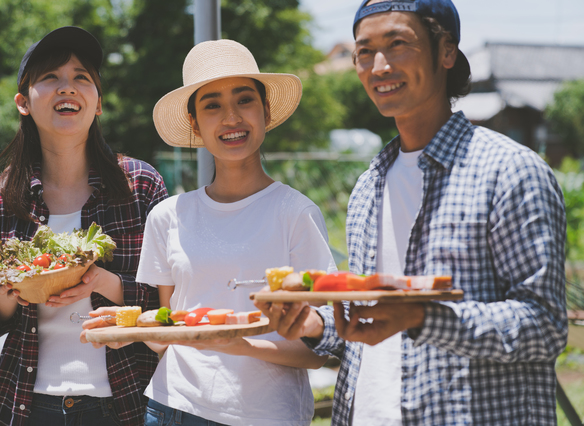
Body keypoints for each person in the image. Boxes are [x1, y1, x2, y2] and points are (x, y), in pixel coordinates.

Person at [255, 1, 568, 425]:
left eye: (398, 44)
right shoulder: (370, 183)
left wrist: (424, 317)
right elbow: (368, 330)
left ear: (446, 52)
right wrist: (313, 323)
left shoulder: (509, 170)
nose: (379, 66)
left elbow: (544, 325)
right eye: (364, 51)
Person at [85, 39, 337, 425]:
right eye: (212, 105)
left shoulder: (296, 213)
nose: (231, 117)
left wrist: (242, 345)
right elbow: (168, 332)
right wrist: (132, 328)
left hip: (265, 416)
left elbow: (319, 350)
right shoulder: (169, 215)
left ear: (266, 112)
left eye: (244, 100)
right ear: (195, 124)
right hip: (172, 409)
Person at [0, 26, 168, 426]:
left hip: (125, 400)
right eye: (50, 78)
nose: (67, 87)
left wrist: (102, 282)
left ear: (98, 104)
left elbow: (168, 305)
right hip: (28, 403)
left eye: (81, 78)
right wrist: (12, 287)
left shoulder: (141, 185)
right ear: (23, 102)